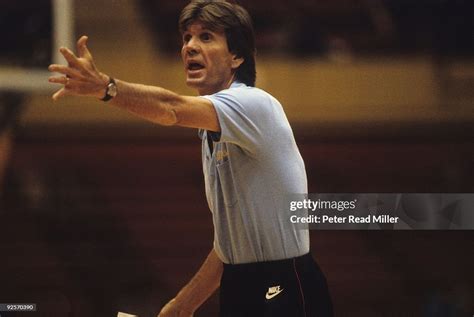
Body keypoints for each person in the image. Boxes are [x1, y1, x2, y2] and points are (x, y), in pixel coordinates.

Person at [48, 1, 333, 316]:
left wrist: (106, 87)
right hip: (240, 283)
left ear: (237, 56)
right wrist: (181, 306)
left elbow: (170, 107)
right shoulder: (210, 132)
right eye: (186, 38)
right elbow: (229, 248)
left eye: (206, 37)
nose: (190, 47)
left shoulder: (254, 104)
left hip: (284, 281)